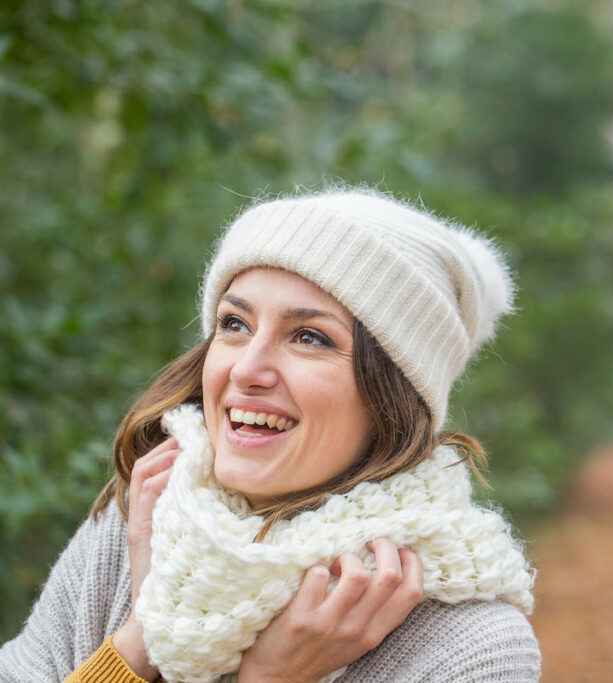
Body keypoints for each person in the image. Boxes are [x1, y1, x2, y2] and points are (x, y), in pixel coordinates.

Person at [0, 188, 540, 682]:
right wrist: (148, 634)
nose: (246, 370)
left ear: (395, 398)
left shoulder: (473, 648)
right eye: (235, 324)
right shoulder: (138, 525)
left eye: (309, 337)